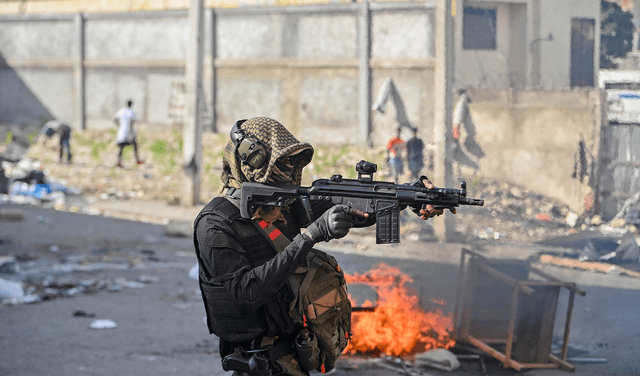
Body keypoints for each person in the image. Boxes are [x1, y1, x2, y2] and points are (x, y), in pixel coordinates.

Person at [193, 117, 444, 376]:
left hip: (295, 355)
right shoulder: (215, 223)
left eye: (293, 165)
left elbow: (352, 207)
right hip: (256, 363)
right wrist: (312, 234)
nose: (290, 173)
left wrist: (408, 198)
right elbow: (247, 293)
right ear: (252, 160)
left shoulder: (281, 205)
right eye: (282, 164)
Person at [452, 89, 484, 177]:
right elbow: (458, 115)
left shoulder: (462, 101)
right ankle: (459, 172)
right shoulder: (462, 101)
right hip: (459, 131)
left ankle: (460, 172)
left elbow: (458, 115)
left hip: (459, 131)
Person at [113, 99, 142, 167]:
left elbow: (115, 119)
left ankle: (119, 161)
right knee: (134, 145)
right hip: (128, 131)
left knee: (121, 147)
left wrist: (119, 125)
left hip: (122, 131)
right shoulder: (132, 112)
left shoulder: (121, 110)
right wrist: (132, 132)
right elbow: (132, 123)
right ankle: (137, 159)